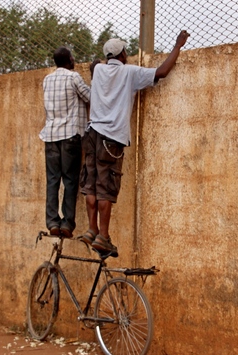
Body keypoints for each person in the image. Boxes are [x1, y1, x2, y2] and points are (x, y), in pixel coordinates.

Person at [79, 30, 190, 256]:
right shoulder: (130, 73)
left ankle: (91, 229)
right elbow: (161, 72)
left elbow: (93, 65)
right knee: (105, 188)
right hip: (112, 138)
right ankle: (104, 236)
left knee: (90, 183)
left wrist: (96, 63)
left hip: (91, 135)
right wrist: (178, 45)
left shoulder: (98, 70)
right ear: (122, 54)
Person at [40, 46, 91, 238]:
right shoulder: (73, 77)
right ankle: (67, 224)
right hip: (70, 135)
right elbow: (90, 97)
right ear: (70, 59)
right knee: (70, 180)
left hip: (50, 136)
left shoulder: (47, 79)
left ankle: (52, 222)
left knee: (53, 180)